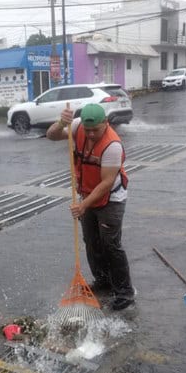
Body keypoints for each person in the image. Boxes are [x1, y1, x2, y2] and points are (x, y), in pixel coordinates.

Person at [46, 103, 136, 310]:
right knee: (91, 242)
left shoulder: (112, 145)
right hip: (86, 193)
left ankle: (125, 292)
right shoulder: (78, 127)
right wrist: (62, 122)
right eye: (88, 130)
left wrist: (83, 205)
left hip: (110, 199)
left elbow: (106, 183)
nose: (91, 134)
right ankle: (103, 281)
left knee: (111, 245)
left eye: (95, 129)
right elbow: (51, 136)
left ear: (105, 123)